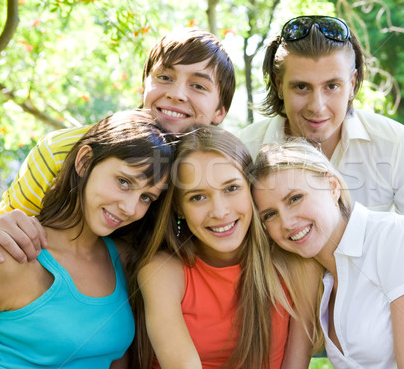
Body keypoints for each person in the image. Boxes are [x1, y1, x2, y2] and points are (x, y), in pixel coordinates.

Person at [236, 15, 404, 295]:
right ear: (278, 84)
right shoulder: (246, 149)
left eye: (332, 86)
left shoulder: (394, 143)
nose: (318, 106)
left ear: (352, 83)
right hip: (283, 313)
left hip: (378, 316)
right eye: (301, 87)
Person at [0, 28, 235, 264]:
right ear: (144, 85)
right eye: (165, 77)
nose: (176, 94)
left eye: (198, 86)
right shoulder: (64, 150)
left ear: (220, 112)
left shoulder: (225, 172)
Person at [250, 141, 404, 369]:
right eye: (270, 215)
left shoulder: (394, 237)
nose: (287, 221)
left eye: (295, 198)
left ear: (332, 186)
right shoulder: (318, 278)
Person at [0, 110, 176, 368]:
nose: (130, 208)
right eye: (124, 182)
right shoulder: (10, 254)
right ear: (84, 161)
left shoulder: (125, 260)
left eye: (146, 197)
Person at [131, 126, 318, 369]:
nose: (219, 211)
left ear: (251, 191)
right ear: (179, 208)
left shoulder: (294, 264)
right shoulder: (162, 272)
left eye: (231, 188)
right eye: (197, 197)